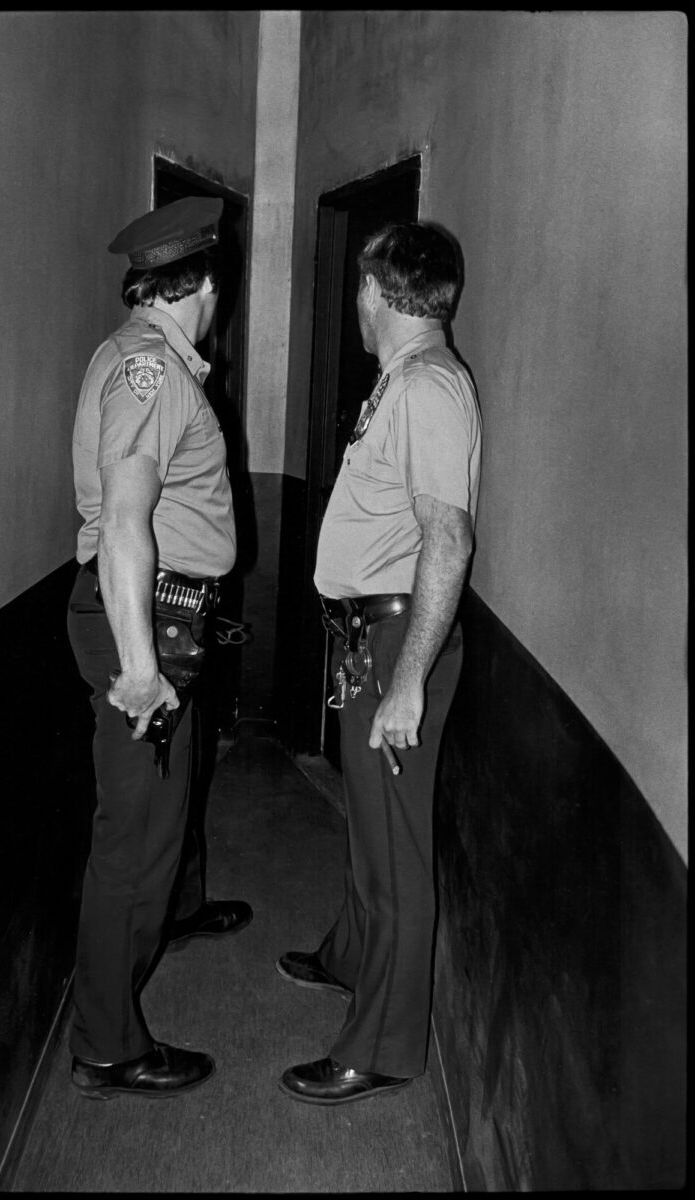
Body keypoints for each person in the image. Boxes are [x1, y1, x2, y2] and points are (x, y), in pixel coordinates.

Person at [277, 221, 481, 1105]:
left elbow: (448, 539)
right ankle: (349, 955)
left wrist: (407, 685)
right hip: (373, 634)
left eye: (360, 285)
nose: (355, 301)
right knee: (369, 826)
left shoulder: (431, 388)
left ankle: (383, 1049)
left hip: (403, 644)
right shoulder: (400, 382)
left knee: (397, 854)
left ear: (381, 292)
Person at [67, 195, 252, 1100]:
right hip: (143, 622)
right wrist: (141, 667)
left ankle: (168, 916)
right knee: (134, 840)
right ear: (205, 285)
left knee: (156, 821)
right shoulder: (153, 373)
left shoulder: (130, 353)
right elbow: (127, 523)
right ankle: (107, 1042)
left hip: (163, 615)